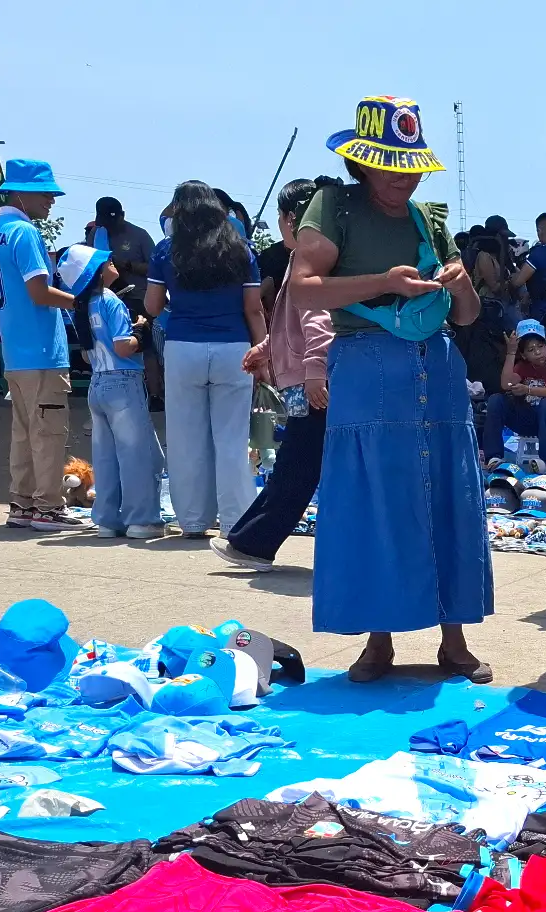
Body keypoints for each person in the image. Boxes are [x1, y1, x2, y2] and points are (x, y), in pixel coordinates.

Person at [289, 96, 490, 682]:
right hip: (368, 373)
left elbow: (470, 315)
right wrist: (383, 283)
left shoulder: (430, 219)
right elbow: (302, 289)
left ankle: (453, 642)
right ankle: (379, 641)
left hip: (438, 368)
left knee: (449, 494)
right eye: (389, 165)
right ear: (362, 162)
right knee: (377, 499)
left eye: (411, 167)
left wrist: (459, 285)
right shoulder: (332, 207)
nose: (403, 178)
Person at [216, 179, 335, 572]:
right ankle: (249, 540)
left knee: (296, 469)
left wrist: (316, 370)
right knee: (296, 465)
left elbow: (318, 322)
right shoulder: (302, 260)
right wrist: (265, 349)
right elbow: (291, 326)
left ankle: (254, 543)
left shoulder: (305, 263)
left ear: (290, 219)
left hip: (309, 383)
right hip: (305, 380)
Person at [146, 180, 266, 538]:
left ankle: (194, 522)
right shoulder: (241, 251)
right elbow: (254, 309)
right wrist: (263, 354)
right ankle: (236, 522)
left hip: (183, 346)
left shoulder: (165, 251)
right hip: (235, 349)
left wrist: (178, 306)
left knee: (186, 438)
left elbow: (152, 306)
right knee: (232, 438)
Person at [0, 159, 84, 533]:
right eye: (45, 193)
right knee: (49, 431)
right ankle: (47, 508)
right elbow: (39, 291)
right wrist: (80, 301)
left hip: (16, 350)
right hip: (41, 350)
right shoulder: (24, 233)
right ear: (21, 192)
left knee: (25, 432)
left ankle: (22, 504)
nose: (51, 201)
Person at [64, 244, 164, 539]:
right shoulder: (111, 301)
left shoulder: (81, 307)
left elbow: (85, 355)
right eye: (106, 261)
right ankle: (141, 520)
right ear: (96, 272)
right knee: (140, 455)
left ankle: (108, 519)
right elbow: (123, 346)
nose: (113, 263)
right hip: (123, 383)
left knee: (106, 457)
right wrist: (140, 330)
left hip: (97, 384)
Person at [484, 318, 546, 466]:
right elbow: (506, 384)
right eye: (531, 350)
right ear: (524, 354)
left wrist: (527, 389)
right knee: (496, 400)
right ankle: (494, 457)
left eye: (540, 346)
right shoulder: (522, 366)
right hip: (527, 419)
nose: (538, 352)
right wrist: (511, 353)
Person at [89, 196, 155, 297]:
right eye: (104, 223)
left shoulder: (140, 235)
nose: (108, 226)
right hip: (103, 295)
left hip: (135, 296)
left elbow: (155, 268)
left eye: (111, 222)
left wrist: (128, 266)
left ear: (122, 216)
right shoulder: (96, 233)